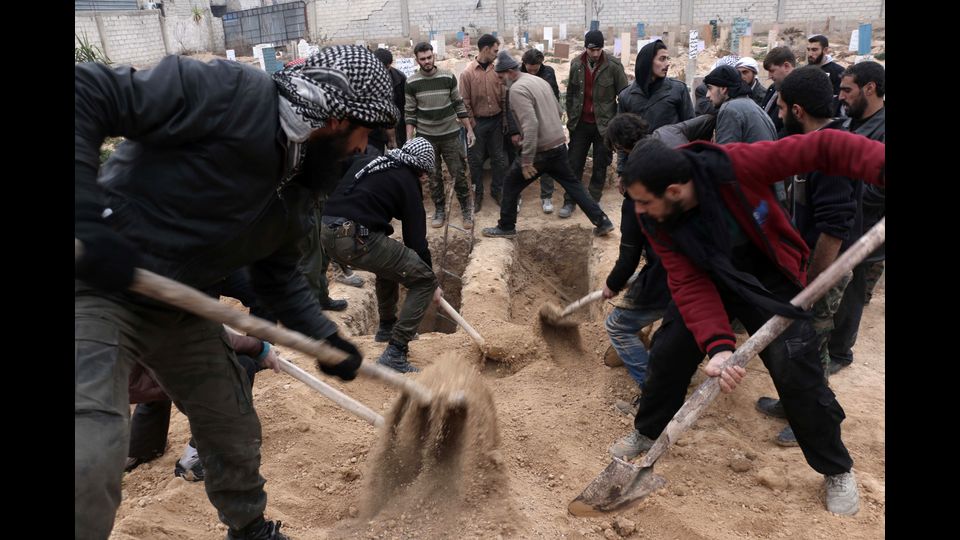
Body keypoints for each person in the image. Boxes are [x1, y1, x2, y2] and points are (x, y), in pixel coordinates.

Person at [75, 45, 396, 540]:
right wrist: (88, 223)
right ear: (336, 118)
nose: (362, 148)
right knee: (90, 455)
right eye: (364, 132)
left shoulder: (298, 184)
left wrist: (326, 339)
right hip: (102, 285)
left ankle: (249, 530)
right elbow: (87, 90)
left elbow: (278, 277)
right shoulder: (228, 96)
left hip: (180, 304)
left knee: (232, 428)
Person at [607, 130, 884, 516]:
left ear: (672, 191)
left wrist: (881, 166)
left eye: (643, 201)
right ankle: (647, 432)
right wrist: (719, 347)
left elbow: (824, 147)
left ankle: (836, 469)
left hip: (767, 276)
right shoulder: (658, 220)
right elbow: (688, 282)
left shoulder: (734, 166)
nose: (638, 211)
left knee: (796, 370)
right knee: (669, 352)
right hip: (709, 276)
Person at [321, 138, 442, 373]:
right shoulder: (407, 180)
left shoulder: (375, 162)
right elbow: (416, 241)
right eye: (425, 173)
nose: (425, 179)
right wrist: (432, 279)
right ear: (420, 168)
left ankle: (387, 326)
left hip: (326, 231)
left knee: (390, 262)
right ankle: (396, 352)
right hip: (353, 236)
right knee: (424, 280)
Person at [481, 51, 615, 239]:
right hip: (558, 147)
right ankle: (603, 221)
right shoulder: (539, 81)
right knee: (574, 186)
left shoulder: (517, 90)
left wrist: (527, 159)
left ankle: (506, 226)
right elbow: (559, 110)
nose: (501, 82)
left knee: (510, 184)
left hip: (539, 152)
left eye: (501, 77)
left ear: (510, 72)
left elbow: (530, 124)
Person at [125, 331, 281, 481]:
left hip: (122, 376)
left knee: (160, 350)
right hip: (139, 374)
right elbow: (205, 337)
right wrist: (259, 347)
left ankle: (142, 447)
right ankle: (198, 457)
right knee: (239, 364)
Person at [405, 41, 475, 229]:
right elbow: (410, 113)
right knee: (433, 176)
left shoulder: (447, 77)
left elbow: (458, 104)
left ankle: (466, 209)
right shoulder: (412, 83)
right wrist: (409, 140)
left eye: (429, 57)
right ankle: (440, 210)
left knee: (458, 172)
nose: (427, 61)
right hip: (426, 138)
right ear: (417, 60)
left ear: (433, 56)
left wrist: (469, 129)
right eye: (423, 59)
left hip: (451, 135)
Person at [560, 30, 628, 216]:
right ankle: (569, 200)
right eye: (592, 50)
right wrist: (572, 116)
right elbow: (571, 93)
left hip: (604, 126)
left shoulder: (613, 66)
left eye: (598, 50)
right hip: (580, 124)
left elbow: (624, 96)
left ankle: (593, 200)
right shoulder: (576, 65)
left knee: (600, 164)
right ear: (586, 48)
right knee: (574, 163)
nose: (595, 54)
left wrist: (617, 125)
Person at [459, 34, 511, 214]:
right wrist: (471, 125)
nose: (497, 54)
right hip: (477, 124)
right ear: (486, 49)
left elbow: (503, 96)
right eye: (495, 50)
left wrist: (504, 118)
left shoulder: (497, 71)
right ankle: (477, 195)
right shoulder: (467, 73)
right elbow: (464, 101)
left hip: (496, 121)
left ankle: (497, 191)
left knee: (499, 158)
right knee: (475, 161)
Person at [520, 47, 561, 213]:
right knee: (521, 160)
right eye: (529, 69)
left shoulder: (549, 72)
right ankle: (518, 195)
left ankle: (547, 196)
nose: (532, 72)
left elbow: (555, 95)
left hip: (545, 123)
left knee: (546, 161)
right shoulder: (517, 73)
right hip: (525, 124)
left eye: (535, 69)